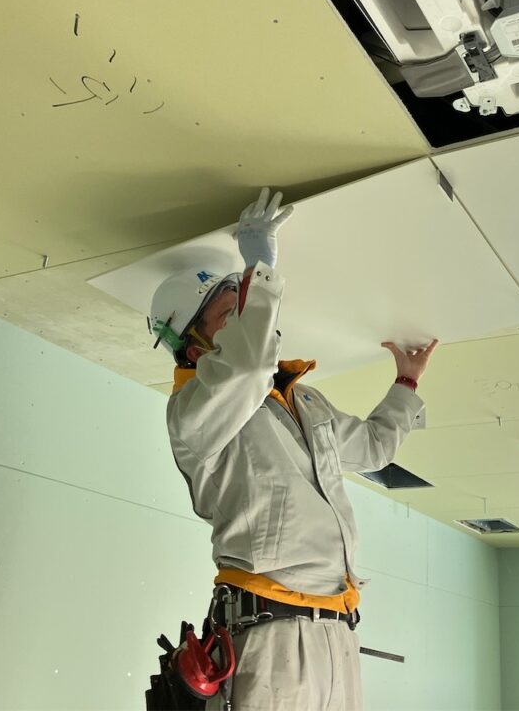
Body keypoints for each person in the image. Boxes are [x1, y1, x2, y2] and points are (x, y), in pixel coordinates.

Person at [149, 187, 438, 710]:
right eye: (228, 315)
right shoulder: (193, 413)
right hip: (271, 634)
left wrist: (406, 385)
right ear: (194, 346)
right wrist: (258, 268)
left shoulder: (303, 401)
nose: (245, 319)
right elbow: (247, 367)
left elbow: (372, 446)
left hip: (339, 628)